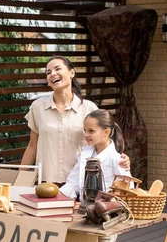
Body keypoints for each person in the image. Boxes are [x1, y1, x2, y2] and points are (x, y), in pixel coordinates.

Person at [59, 109, 131, 242]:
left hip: (107, 219)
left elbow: (129, 187)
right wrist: (58, 197)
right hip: (88, 216)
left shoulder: (117, 159)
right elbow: (73, 181)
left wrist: (124, 171)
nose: (86, 134)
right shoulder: (86, 153)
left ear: (106, 132)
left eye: (91, 130)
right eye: (84, 130)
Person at [21, 55, 130, 184]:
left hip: (80, 184)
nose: (52, 74)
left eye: (57, 69)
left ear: (72, 72)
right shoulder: (37, 107)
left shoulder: (89, 108)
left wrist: (120, 159)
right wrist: (19, 178)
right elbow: (32, 146)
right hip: (45, 184)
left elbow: (102, 144)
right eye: (48, 72)